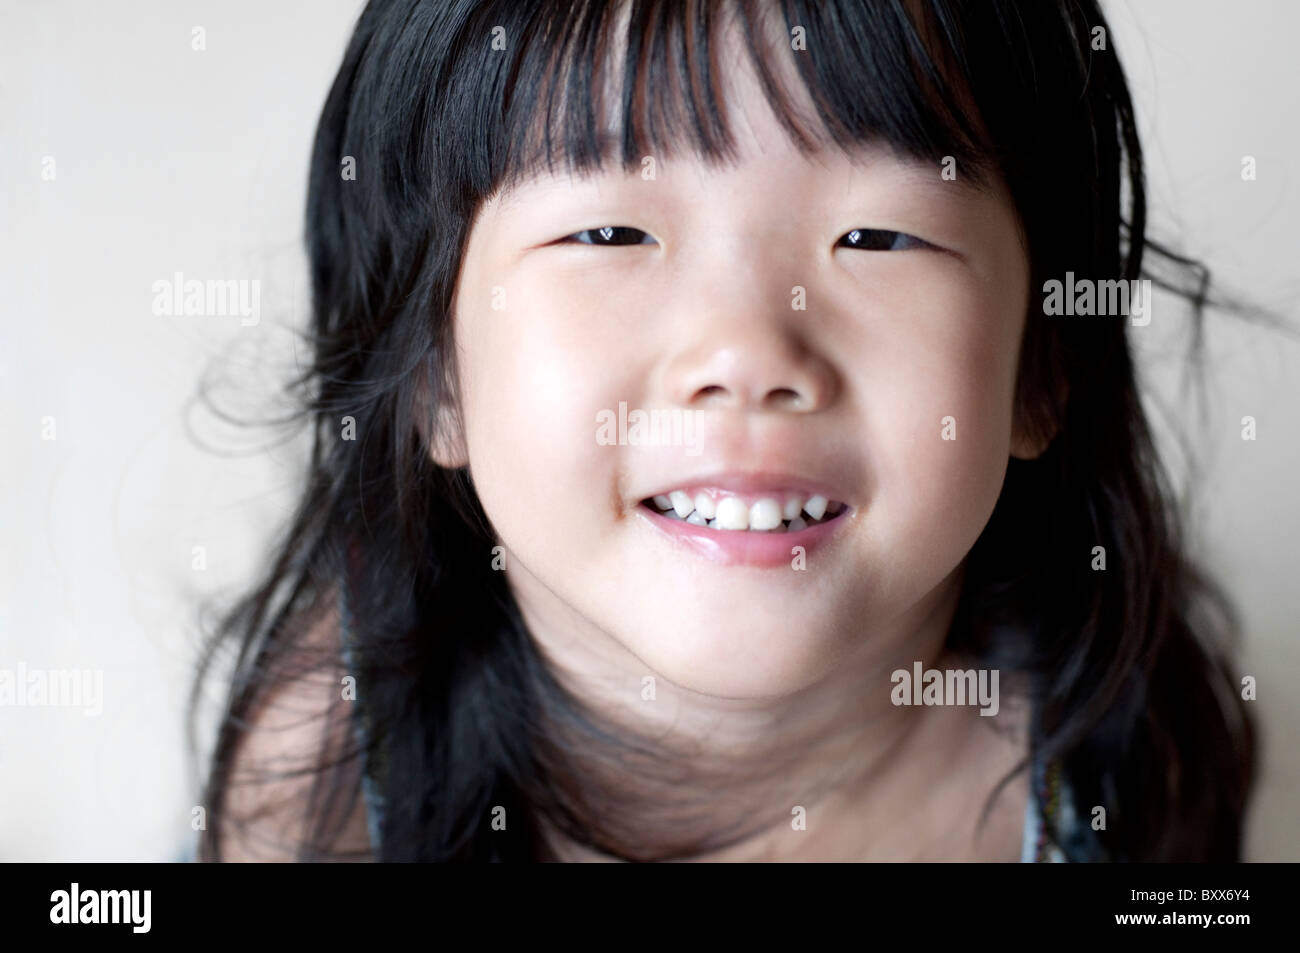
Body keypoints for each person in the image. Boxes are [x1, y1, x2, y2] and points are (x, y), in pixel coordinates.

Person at [188, 0, 1257, 863]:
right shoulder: (323, 783)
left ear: (1039, 368)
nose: (748, 352)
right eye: (607, 231)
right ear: (435, 379)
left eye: (879, 236)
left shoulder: (1114, 755)